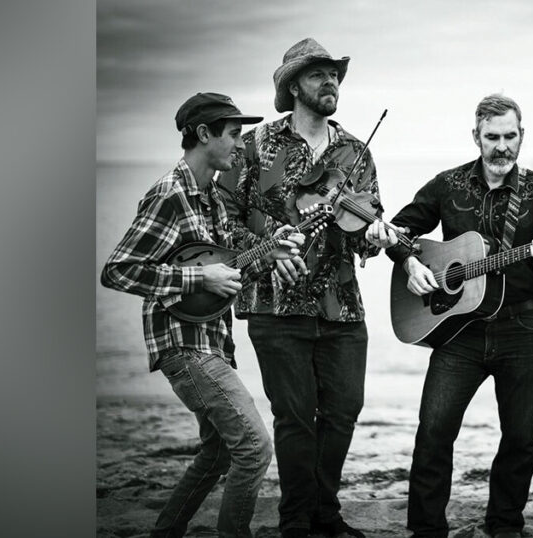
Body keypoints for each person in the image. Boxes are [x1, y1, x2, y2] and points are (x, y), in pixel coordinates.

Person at [101, 92, 305, 538]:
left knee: (217, 455)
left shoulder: (211, 196)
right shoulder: (170, 194)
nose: (240, 143)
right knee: (254, 447)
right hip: (184, 347)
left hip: (212, 343)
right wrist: (199, 280)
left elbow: (223, 272)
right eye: (233, 134)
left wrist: (272, 250)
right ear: (203, 134)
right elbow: (118, 270)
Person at [365, 94, 533, 538]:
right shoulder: (448, 185)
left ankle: (504, 525)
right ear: (475, 136)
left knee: (519, 438)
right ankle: (425, 529)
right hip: (459, 332)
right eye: (491, 137)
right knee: (433, 432)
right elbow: (398, 230)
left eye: (510, 136)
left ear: (521, 136)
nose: (501, 147)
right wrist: (409, 262)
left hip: (524, 328)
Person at [217, 38, 383, 538]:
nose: (330, 81)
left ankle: (323, 514)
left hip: (341, 306)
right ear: (293, 86)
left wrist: (375, 235)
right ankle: (297, 522)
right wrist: (268, 249)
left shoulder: (356, 151)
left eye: (334, 73)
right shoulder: (254, 146)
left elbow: (368, 228)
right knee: (294, 419)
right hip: (274, 306)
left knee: (344, 411)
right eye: (317, 74)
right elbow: (220, 218)